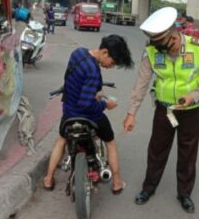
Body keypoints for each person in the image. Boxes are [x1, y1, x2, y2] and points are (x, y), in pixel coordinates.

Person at [123, 7, 199, 213]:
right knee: (156, 150)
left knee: (187, 153)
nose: (160, 51)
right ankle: (148, 188)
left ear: (173, 38)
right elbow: (142, 83)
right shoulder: (152, 50)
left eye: (164, 46)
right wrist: (132, 112)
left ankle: (184, 194)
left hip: (191, 110)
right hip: (164, 109)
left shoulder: (198, 48)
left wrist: (193, 95)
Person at [43, 35, 134, 194]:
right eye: (112, 62)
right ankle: (117, 183)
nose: (111, 66)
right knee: (111, 142)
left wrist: (93, 95)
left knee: (61, 140)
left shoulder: (78, 53)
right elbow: (86, 105)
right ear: (105, 52)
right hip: (88, 116)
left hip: (69, 113)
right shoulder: (93, 71)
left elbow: (73, 82)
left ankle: (48, 179)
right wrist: (106, 104)